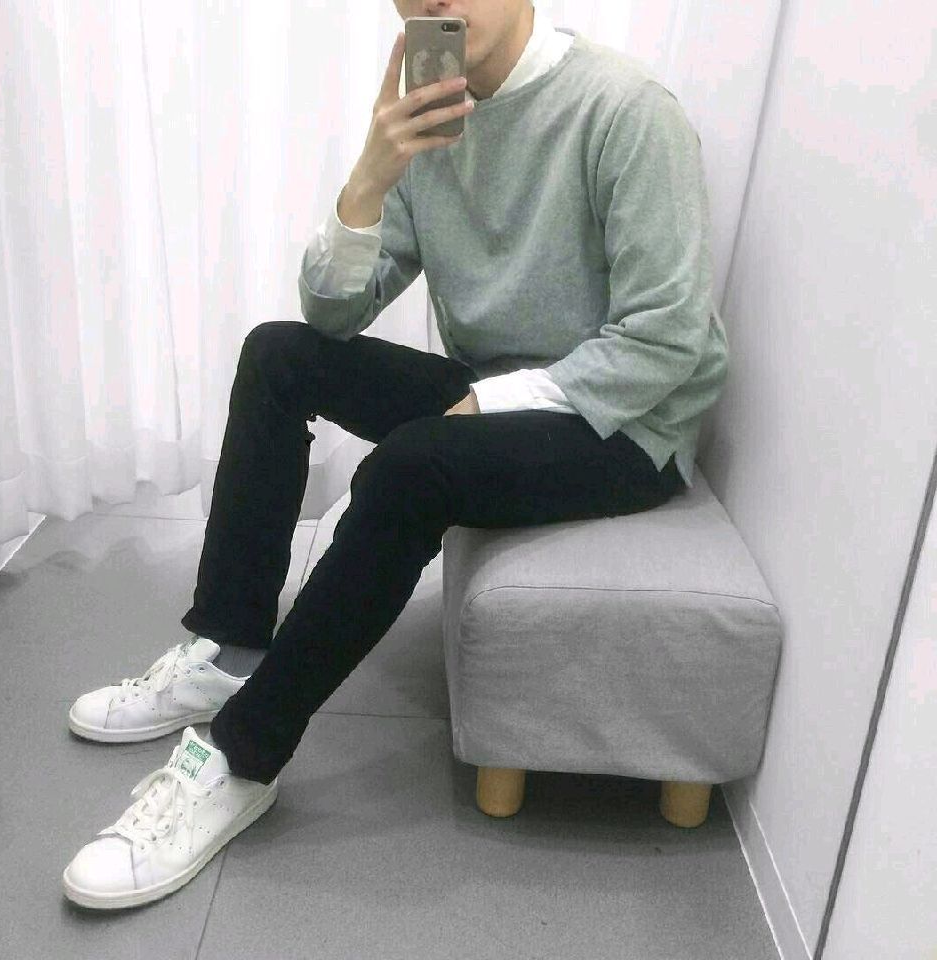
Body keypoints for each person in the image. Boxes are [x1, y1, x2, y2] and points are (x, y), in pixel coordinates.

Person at [62, 0, 728, 910]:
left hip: (624, 427)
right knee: (277, 356)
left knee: (415, 464)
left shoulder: (627, 110)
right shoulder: (435, 119)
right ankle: (228, 647)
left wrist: (482, 405)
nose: (436, 2)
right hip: (499, 386)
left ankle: (241, 756)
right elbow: (333, 314)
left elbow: (665, 338)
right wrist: (373, 175)